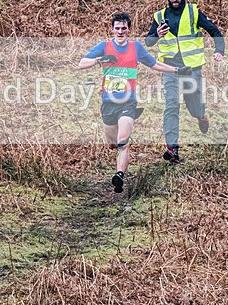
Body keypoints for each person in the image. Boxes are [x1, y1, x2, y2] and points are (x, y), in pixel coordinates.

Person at [79, 12, 191, 193]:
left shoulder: (136, 47)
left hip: (128, 103)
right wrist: (101, 60)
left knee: (123, 142)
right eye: (117, 28)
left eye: (124, 28)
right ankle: (117, 150)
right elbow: (82, 63)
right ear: (112, 30)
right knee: (112, 144)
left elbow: (155, 64)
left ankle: (119, 176)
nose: (120, 31)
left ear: (129, 30)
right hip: (108, 103)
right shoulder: (105, 46)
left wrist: (178, 70)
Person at [145, 0, 225, 164]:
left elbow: (214, 31)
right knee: (171, 104)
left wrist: (219, 50)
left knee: (193, 99)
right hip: (170, 69)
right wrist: (157, 34)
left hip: (191, 68)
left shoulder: (193, 12)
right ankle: (172, 148)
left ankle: (200, 115)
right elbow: (148, 42)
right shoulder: (160, 16)